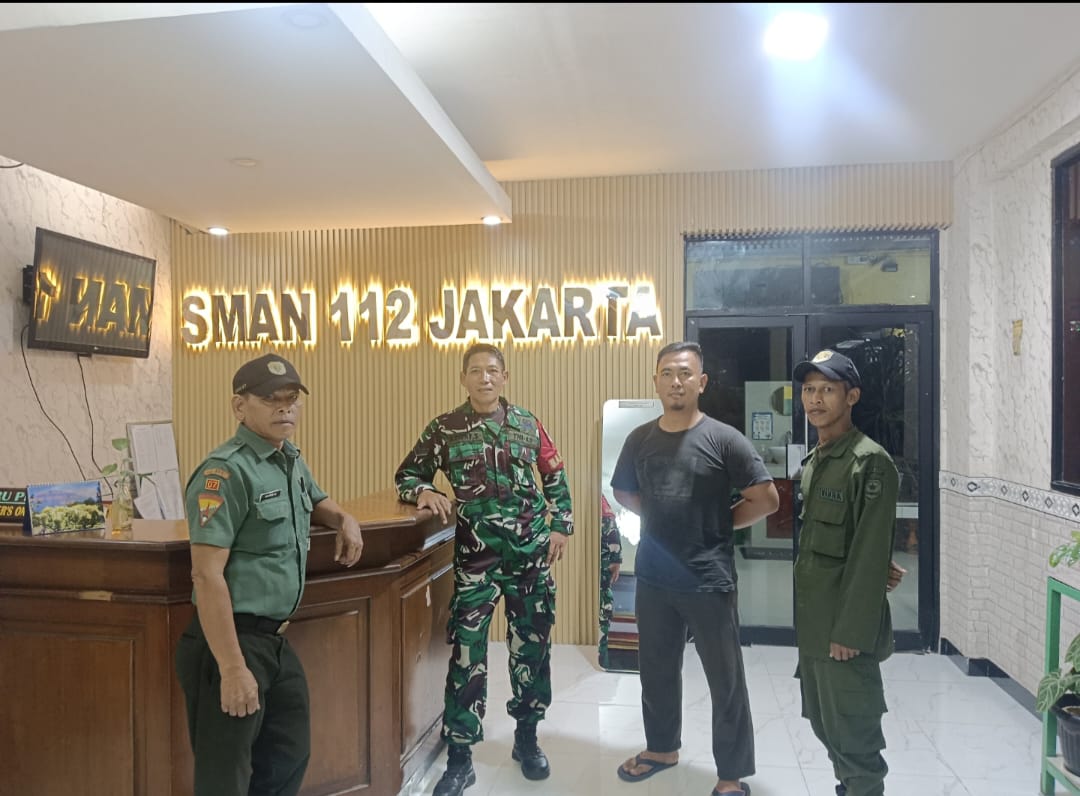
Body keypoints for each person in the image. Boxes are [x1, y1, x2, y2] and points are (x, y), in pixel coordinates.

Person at [175, 353, 364, 796]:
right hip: (230, 642)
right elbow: (206, 576)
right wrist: (232, 668)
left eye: (292, 399)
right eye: (271, 400)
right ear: (239, 406)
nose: (285, 409)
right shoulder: (225, 472)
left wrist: (343, 518)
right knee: (225, 778)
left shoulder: (288, 459)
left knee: (288, 754)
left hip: (275, 642)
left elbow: (316, 499)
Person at [394, 343, 573, 796]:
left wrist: (561, 526)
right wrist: (424, 492)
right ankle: (460, 757)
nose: (485, 378)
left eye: (492, 371)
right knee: (467, 653)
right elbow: (408, 474)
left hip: (530, 557)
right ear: (464, 379)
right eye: (475, 371)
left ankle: (527, 738)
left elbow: (554, 475)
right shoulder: (445, 428)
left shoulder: (527, 424)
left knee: (531, 649)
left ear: (504, 377)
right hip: (476, 560)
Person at [612, 340, 779, 796]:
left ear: (701, 382)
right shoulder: (639, 439)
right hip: (654, 577)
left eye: (685, 373)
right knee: (656, 671)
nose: (676, 381)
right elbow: (623, 491)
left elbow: (766, 498)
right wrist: (661, 516)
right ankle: (661, 749)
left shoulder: (724, 439)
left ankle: (731, 775)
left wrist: (721, 521)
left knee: (725, 680)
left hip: (708, 579)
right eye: (667, 373)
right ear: (655, 382)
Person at [793, 349, 899, 796]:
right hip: (816, 626)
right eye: (809, 389)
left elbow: (869, 553)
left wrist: (850, 633)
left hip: (844, 634)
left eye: (828, 390)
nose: (815, 400)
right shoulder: (817, 461)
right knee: (825, 725)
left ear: (851, 396)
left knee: (855, 738)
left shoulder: (869, 462)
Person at [598, 494, 623, 668]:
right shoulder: (603, 510)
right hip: (599, 597)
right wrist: (616, 559)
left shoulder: (601, 505)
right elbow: (614, 566)